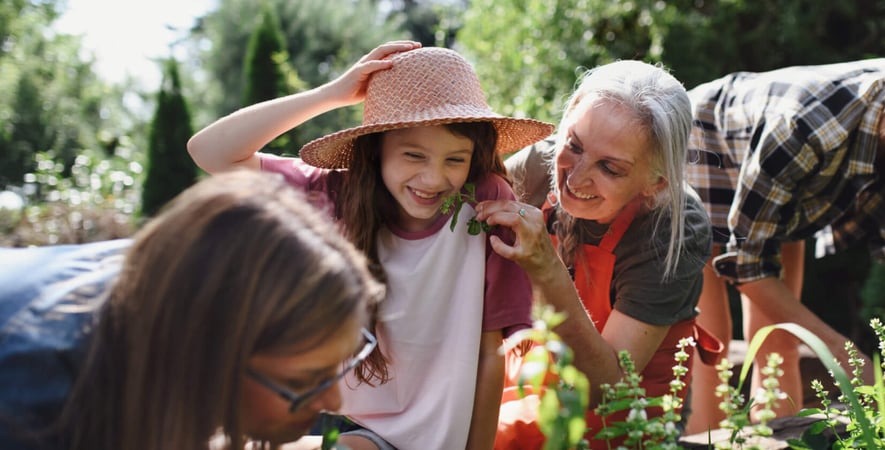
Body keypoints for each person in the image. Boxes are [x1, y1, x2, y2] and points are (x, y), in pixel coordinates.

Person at [188, 42, 555, 450]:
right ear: (375, 148)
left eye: (455, 159)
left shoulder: (487, 204)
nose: (433, 179)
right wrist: (330, 93)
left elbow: (493, 352)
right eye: (414, 155)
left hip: (422, 440)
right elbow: (210, 152)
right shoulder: (337, 193)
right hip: (334, 416)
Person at [682, 46, 885, 424]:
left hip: (786, 193)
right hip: (709, 144)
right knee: (713, 347)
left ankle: (772, 441)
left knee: (780, 346)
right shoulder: (808, 129)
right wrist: (846, 357)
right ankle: (702, 437)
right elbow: (746, 267)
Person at [0, 170, 384, 450]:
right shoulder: (36, 396)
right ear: (211, 358)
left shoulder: (175, 283)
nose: (334, 403)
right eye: (303, 382)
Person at [475, 60, 715, 449]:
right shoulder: (538, 166)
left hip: (619, 423)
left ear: (656, 182)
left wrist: (546, 268)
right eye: (574, 144)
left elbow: (610, 390)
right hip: (524, 387)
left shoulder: (674, 228)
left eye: (610, 168)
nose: (575, 176)